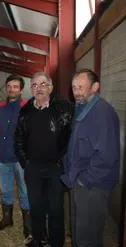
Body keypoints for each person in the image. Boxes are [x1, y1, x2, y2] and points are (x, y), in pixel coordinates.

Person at [61, 68, 120, 247]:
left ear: (94, 87)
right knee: (79, 234)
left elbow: (107, 156)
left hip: (92, 186)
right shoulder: (82, 109)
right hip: (80, 182)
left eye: (81, 87)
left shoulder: (102, 113)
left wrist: (84, 180)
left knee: (88, 238)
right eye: (74, 87)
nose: (76, 92)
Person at [14, 72, 73, 247]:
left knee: (55, 208)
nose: (38, 89)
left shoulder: (64, 108)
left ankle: (56, 243)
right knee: (37, 208)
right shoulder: (25, 112)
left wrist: (62, 161)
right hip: (33, 168)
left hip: (55, 167)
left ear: (51, 87)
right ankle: (39, 240)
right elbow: (18, 140)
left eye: (43, 84)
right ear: (30, 89)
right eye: (34, 85)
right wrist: (27, 163)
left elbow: (71, 137)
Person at [0, 74, 32, 242]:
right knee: (5, 191)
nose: (11, 89)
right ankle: (7, 219)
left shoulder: (28, 108)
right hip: (3, 158)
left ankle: (28, 227)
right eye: (9, 86)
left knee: (25, 192)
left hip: (21, 160)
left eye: (15, 86)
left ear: (21, 89)